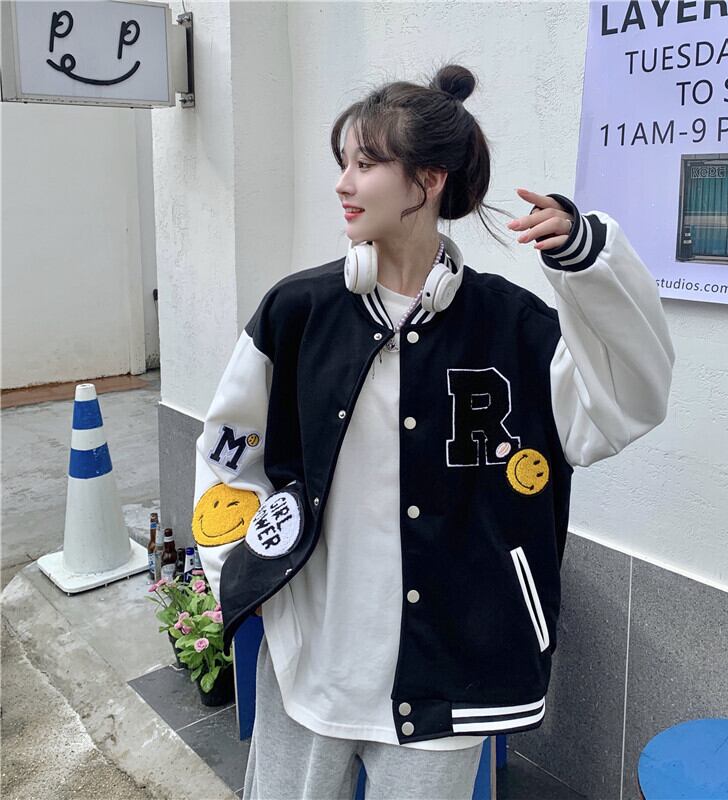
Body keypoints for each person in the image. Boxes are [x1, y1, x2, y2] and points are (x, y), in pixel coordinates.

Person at [191, 64, 675, 800]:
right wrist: (244, 568)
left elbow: (629, 401)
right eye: (342, 163)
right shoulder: (298, 313)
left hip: (453, 673)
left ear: (429, 180)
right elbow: (229, 454)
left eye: (366, 163)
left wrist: (590, 267)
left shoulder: (513, 328)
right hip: (310, 661)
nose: (343, 184)